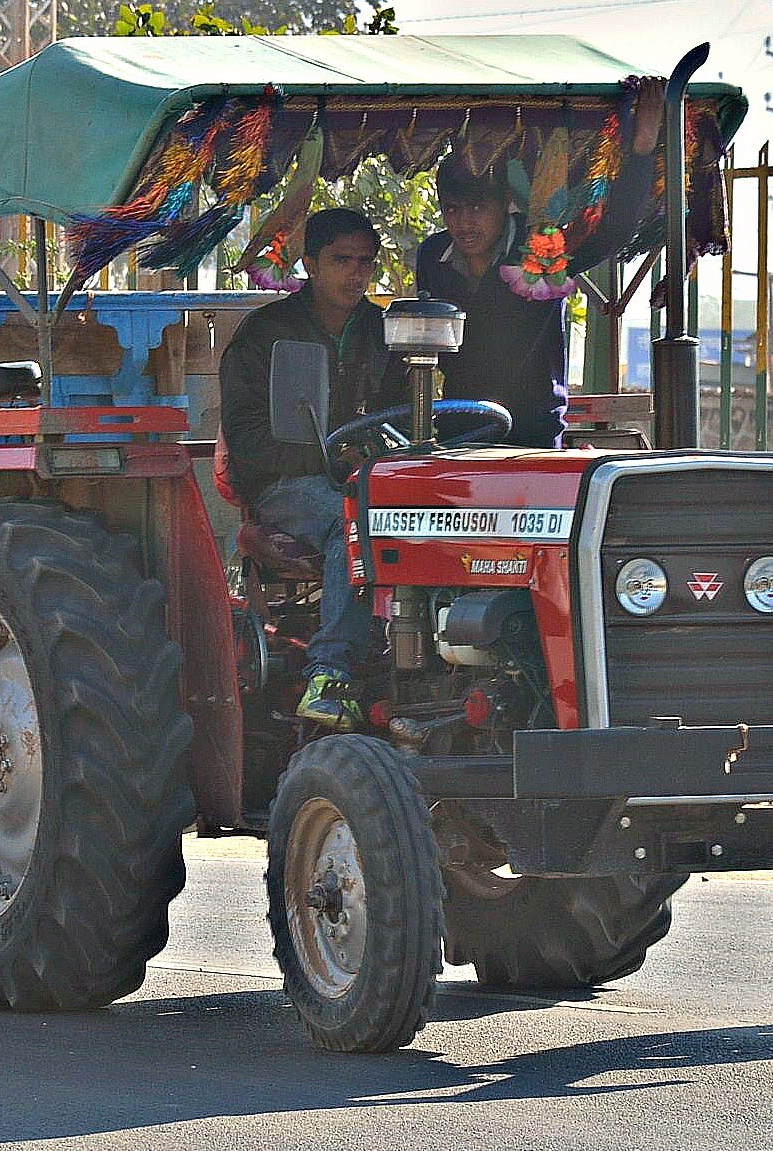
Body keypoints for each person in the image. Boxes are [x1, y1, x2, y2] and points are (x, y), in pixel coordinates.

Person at [218, 207, 399, 731]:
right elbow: (248, 441)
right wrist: (322, 457)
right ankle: (330, 674)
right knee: (355, 523)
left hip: (369, 480)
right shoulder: (265, 334)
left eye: (365, 262)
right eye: (341, 260)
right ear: (310, 263)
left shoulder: (383, 331)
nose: (355, 274)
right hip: (285, 488)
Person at [414, 152, 568, 447]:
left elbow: (609, 234)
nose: (464, 222)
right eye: (452, 209)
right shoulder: (432, 256)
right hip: (459, 426)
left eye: (477, 208)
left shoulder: (540, 247)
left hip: (534, 432)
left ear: (505, 203)